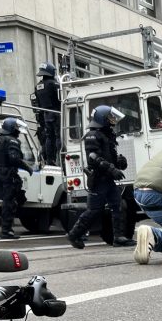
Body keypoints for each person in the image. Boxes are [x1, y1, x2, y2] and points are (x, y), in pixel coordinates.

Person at [67, 105, 136, 249]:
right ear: (102, 119)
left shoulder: (106, 135)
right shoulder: (93, 135)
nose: (113, 121)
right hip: (98, 179)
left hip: (108, 179)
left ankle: (118, 237)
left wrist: (119, 162)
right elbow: (93, 158)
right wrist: (112, 169)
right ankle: (74, 235)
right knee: (94, 210)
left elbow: (108, 156)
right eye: (110, 118)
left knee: (118, 206)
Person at [0, 117, 32, 240]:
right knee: (9, 204)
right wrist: (27, 167)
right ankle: (7, 231)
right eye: (17, 129)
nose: (19, 132)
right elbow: (14, 159)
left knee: (7, 202)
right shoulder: (12, 141)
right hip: (8, 175)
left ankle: (6, 230)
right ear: (12, 129)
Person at [33, 62, 62, 164]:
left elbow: (38, 103)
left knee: (50, 137)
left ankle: (50, 160)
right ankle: (62, 158)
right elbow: (62, 98)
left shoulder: (38, 86)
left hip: (46, 115)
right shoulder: (53, 84)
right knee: (59, 136)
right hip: (56, 113)